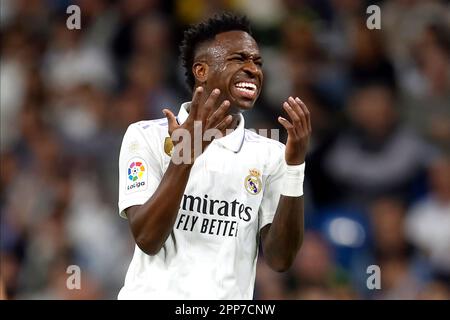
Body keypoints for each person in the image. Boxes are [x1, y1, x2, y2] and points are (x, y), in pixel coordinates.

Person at [117, 13, 311, 299]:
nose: (252, 69)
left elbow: (280, 260)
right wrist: (185, 156)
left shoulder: (270, 153)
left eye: (257, 62)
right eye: (239, 59)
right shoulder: (146, 136)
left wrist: (295, 167)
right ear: (201, 71)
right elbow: (147, 238)